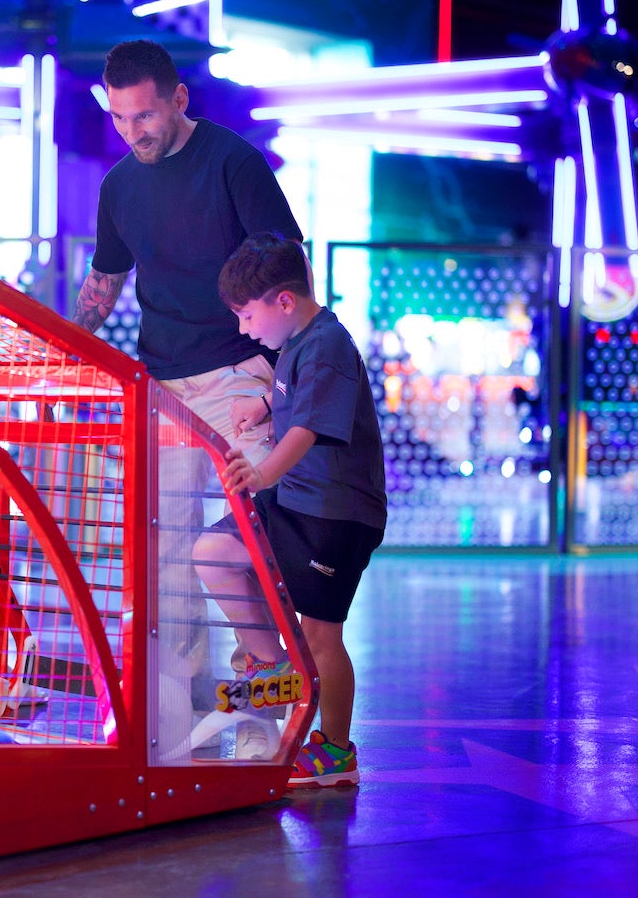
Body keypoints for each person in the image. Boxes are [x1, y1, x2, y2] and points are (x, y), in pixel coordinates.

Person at [70, 40, 304, 724]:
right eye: (119, 118)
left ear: (178, 99)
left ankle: (265, 701)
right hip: (164, 382)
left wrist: (280, 378)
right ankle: (184, 703)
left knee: (244, 545)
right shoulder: (118, 187)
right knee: (165, 550)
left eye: (144, 114)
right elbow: (104, 283)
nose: (133, 130)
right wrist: (62, 339)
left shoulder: (234, 162)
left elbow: (287, 270)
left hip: (241, 371)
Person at [192, 233, 387, 788]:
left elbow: (308, 427)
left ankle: (337, 752)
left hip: (336, 514)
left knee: (322, 635)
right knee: (214, 551)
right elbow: (293, 401)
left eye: (247, 315)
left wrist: (263, 473)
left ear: (283, 301)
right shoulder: (296, 343)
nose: (242, 329)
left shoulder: (327, 343)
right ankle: (272, 663)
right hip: (295, 500)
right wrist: (261, 403)